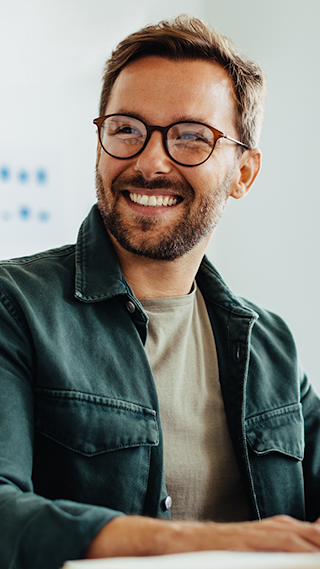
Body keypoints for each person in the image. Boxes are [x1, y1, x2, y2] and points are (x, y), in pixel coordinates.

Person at [1, 14, 320, 569]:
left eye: (192, 137)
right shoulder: (14, 305)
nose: (150, 162)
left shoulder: (272, 345)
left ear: (243, 173)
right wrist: (205, 541)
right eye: (127, 129)